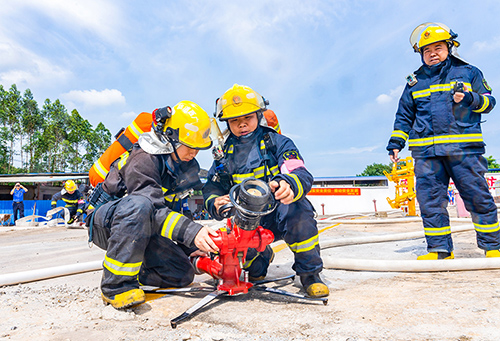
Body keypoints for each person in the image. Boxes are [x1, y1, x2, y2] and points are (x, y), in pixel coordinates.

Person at [86, 101, 219, 309]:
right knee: (140, 205)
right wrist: (194, 233)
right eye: (190, 146)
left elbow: (177, 209)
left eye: (198, 148)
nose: (194, 152)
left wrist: (191, 247)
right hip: (108, 224)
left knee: (181, 274)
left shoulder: (186, 166)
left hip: (145, 227)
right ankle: (116, 287)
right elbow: (152, 208)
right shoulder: (143, 158)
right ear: (170, 138)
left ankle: (137, 271)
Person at [203, 84, 329, 298]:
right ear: (226, 123)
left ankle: (310, 275)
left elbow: (299, 170)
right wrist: (214, 202)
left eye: (247, 119)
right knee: (255, 273)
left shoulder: (278, 143)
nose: (242, 125)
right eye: (235, 121)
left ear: (259, 115)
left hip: (281, 212)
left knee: (299, 211)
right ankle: (260, 258)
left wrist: (289, 183)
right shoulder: (224, 154)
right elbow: (211, 187)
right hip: (246, 219)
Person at [386, 23, 499, 260]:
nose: (432, 54)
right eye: (427, 51)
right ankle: (439, 250)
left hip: (464, 150)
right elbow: (404, 115)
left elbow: (490, 102)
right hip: (427, 154)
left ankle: (493, 247)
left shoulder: (469, 73)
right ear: (422, 55)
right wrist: (396, 143)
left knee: (477, 197)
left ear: (449, 47)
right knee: (430, 203)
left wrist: (470, 98)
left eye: (438, 48)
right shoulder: (414, 82)